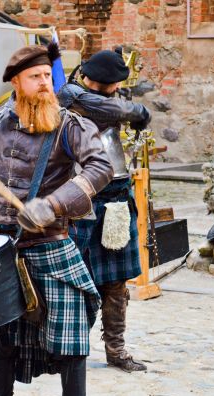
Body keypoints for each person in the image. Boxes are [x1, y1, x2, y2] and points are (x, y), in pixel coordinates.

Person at [0, 43, 113, 396]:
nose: (44, 83)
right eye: (34, 77)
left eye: (46, 76)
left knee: (70, 340)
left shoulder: (70, 125)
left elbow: (101, 168)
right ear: (17, 84)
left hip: (48, 245)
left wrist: (52, 204)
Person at [58, 47, 152, 373]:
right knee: (77, 280)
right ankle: (72, 348)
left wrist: (129, 110)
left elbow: (126, 113)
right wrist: (131, 109)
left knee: (116, 283)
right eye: (113, 85)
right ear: (103, 82)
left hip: (115, 195)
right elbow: (114, 110)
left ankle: (116, 350)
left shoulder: (110, 103)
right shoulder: (71, 96)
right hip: (80, 197)